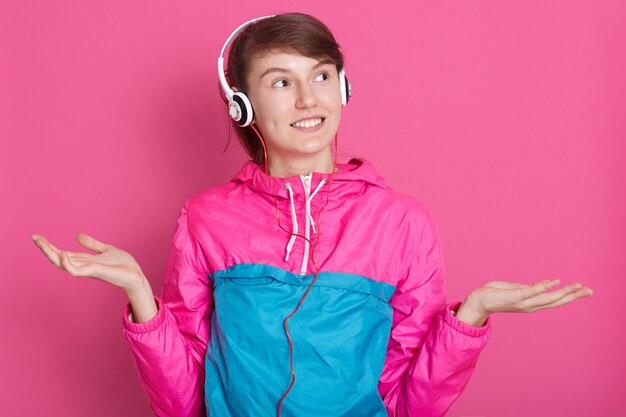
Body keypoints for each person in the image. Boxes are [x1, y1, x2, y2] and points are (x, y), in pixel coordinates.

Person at [30, 12, 593, 417]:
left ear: (344, 87)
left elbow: (409, 404)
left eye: (322, 76)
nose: (308, 99)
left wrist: (469, 316)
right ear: (242, 107)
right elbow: (183, 402)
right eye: (281, 82)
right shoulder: (204, 219)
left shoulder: (404, 222)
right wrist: (139, 294)